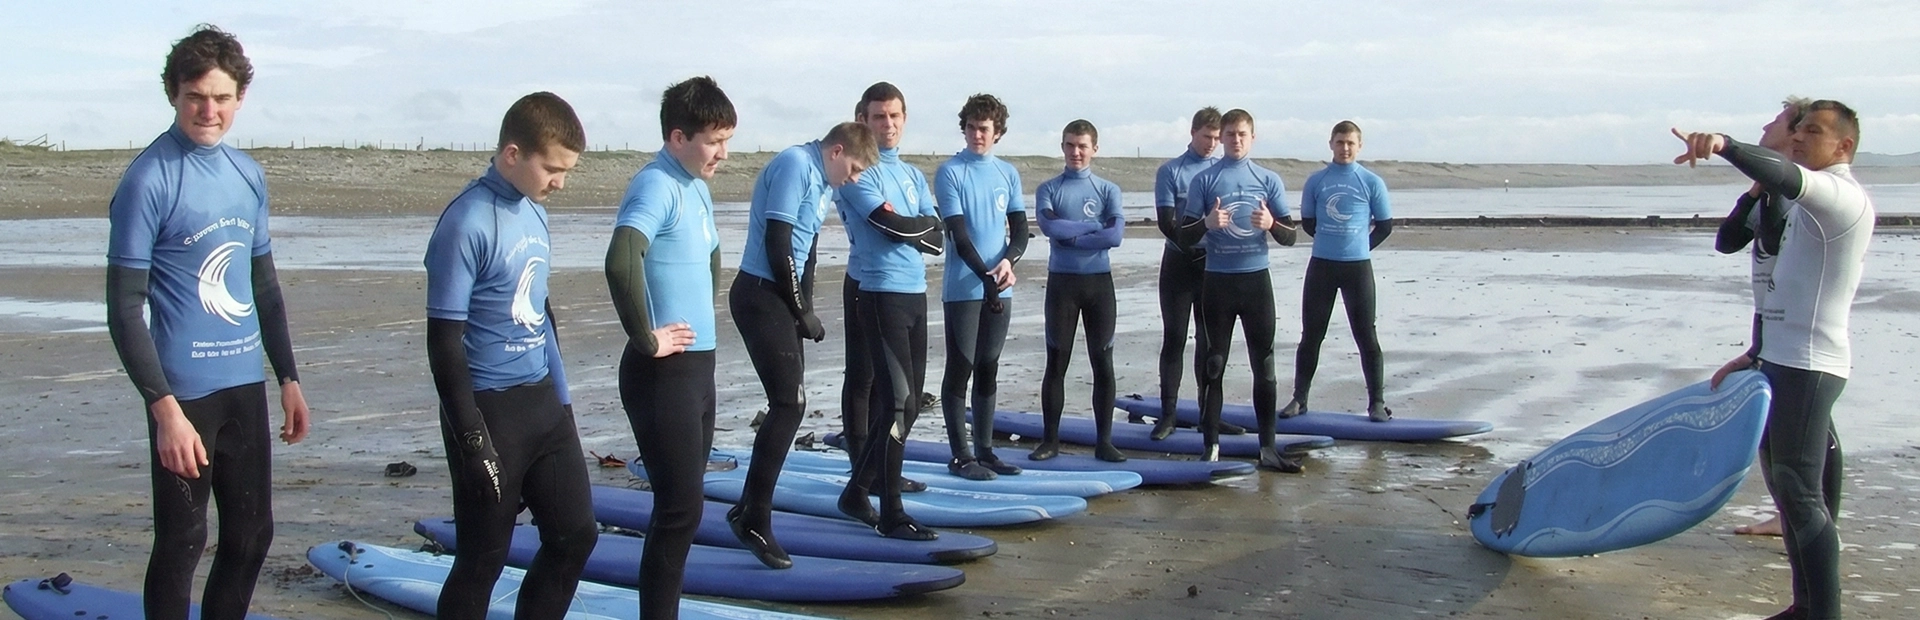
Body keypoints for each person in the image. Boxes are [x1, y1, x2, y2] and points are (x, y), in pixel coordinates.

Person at [105, 24, 311, 620]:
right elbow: (124, 308)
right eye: (197, 96)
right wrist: (163, 409)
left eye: (222, 98)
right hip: (185, 394)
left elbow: (265, 287)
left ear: (240, 98)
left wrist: (288, 379)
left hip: (244, 385)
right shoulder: (149, 179)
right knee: (182, 542)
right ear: (174, 94)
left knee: (251, 538)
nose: (209, 110)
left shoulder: (247, 175)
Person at [1681, 99, 1874, 620]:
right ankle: (1804, 606)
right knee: (1791, 493)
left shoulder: (1839, 194)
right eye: (1799, 129)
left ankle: (1821, 613)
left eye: (1812, 131)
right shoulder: (1802, 206)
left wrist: (1723, 145)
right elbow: (1785, 292)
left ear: (1843, 146)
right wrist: (1755, 352)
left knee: (1798, 493)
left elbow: (1784, 175)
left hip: (1809, 366)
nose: (1797, 137)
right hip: (1783, 359)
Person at [424, 91, 597, 619]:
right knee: (483, 558)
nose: (559, 182)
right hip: (488, 411)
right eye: (552, 168)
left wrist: (564, 406)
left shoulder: (534, 213)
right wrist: (473, 441)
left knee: (575, 536)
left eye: (567, 170)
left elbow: (543, 317)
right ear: (513, 154)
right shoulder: (466, 222)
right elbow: (443, 342)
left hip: (542, 402)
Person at [607, 76, 734, 618]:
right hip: (662, 371)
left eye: (727, 140)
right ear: (678, 136)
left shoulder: (695, 186)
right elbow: (620, 259)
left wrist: (702, 317)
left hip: (694, 366)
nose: (723, 154)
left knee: (687, 506)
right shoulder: (656, 184)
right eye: (714, 141)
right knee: (678, 509)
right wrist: (645, 334)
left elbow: (710, 255)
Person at [729, 122, 878, 569]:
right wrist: (801, 311)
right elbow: (779, 245)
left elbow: (806, 250)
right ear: (836, 151)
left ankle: (747, 510)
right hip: (759, 292)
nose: (852, 179)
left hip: (780, 298)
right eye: (852, 169)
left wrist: (804, 309)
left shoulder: (823, 181)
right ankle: (754, 516)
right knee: (789, 405)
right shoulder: (796, 164)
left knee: (788, 403)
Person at [1711, 99, 1843, 539]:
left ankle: (1815, 522)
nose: (1766, 126)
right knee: (1808, 430)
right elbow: (1728, 241)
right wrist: (1753, 189)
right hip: (1774, 326)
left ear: (1794, 135)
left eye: (1777, 122)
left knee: (1811, 434)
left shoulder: (1799, 196)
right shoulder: (1769, 191)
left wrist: (1725, 146)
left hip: (1801, 337)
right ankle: (1803, 519)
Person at [834, 82, 945, 540]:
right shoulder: (858, 173)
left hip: (914, 293)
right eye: (879, 117)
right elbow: (890, 224)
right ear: (864, 120)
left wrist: (913, 226)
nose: (889, 124)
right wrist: (913, 225)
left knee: (910, 403)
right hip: (878, 294)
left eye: (895, 116)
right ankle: (891, 512)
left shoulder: (913, 175)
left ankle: (857, 490)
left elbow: (936, 237)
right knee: (895, 402)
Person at [1173, 108, 1301, 472]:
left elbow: (1292, 237)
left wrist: (1272, 223)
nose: (1236, 140)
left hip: (1255, 281)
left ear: (1252, 137)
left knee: (1265, 365)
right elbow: (1183, 235)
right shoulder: (1205, 180)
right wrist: (1207, 223)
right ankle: (1211, 446)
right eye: (1229, 134)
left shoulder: (1268, 179)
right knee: (1214, 364)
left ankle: (1268, 448)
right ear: (1221, 137)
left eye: (1242, 134)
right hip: (1218, 283)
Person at [934, 94, 1029, 480]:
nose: (977, 134)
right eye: (971, 127)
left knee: (988, 367)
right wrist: (985, 278)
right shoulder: (951, 172)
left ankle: (985, 450)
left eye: (984, 129)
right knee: (962, 367)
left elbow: (1020, 230)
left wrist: (1008, 262)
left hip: (999, 285)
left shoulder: (1007, 174)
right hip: (964, 287)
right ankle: (960, 455)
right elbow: (957, 234)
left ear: (998, 133)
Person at [1285, 121, 1395, 422]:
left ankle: (1375, 403)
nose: (1345, 148)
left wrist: (1359, 247)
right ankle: (1299, 399)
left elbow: (1385, 226)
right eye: (1340, 142)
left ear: (1359, 146)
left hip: (1357, 269)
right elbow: (1308, 222)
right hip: (1322, 266)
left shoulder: (1370, 181)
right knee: (1311, 335)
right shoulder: (1317, 181)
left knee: (1366, 336)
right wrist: (1331, 242)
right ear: (1331, 144)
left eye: (1350, 143)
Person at [1031, 120, 1128, 463]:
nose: (1076, 152)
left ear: (1094, 149)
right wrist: (1092, 228)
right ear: (1062, 147)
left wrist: (1071, 234)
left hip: (1099, 285)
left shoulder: (1108, 190)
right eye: (1070, 145)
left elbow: (1114, 237)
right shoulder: (1049, 189)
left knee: (1102, 361)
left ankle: (1105, 441)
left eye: (1082, 146)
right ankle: (1050, 441)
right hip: (1063, 286)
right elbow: (1049, 226)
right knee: (1057, 362)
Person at [1147, 107, 1224, 440]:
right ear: (1192, 133)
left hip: (1214, 266)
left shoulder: (1222, 171)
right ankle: (1169, 415)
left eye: (1217, 138)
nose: (1211, 143)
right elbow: (1167, 224)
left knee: (1209, 343)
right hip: (1179, 264)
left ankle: (1210, 415)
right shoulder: (1171, 171)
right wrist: (1192, 243)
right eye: (1206, 136)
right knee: (1175, 338)